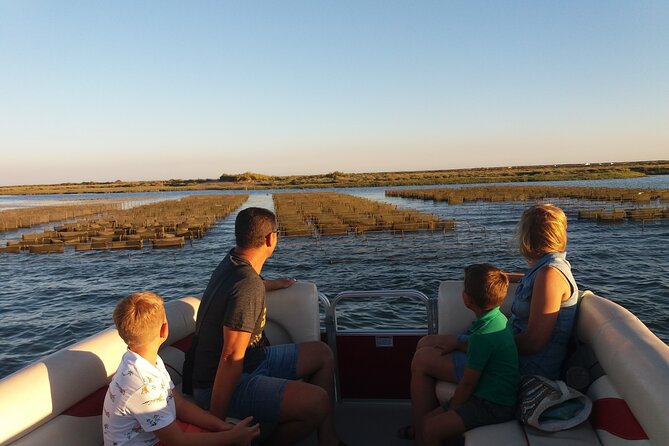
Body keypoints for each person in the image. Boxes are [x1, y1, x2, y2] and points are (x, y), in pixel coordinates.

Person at [185, 207, 343, 446]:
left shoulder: (232, 264)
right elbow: (230, 358)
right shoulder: (247, 286)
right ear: (271, 238)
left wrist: (272, 284)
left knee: (322, 354)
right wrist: (216, 426)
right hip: (223, 383)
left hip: (254, 360)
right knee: (317, 401)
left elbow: (244, 285)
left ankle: (328, 439)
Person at [103, 291, 260, 446]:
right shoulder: (143, 385)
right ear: (164, 330)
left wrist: (222, 426)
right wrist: (233, 437)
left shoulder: (146, 361)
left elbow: (179, 405)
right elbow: (178, 441)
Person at [418, 264, 519, 446]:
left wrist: (454, 409)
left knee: (430, 429)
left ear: (467, 299)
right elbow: (488, 352)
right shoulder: (498, 319)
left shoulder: (482, 336)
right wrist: (461, 345)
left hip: (493, 405)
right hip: (491, 395)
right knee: (427, 421)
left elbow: (467, 383)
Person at [508, 203, 578, 379]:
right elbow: (531, 280)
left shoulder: (550, 274)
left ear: (527, 236)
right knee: (430, 346)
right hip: (511, 358)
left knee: (428, 358)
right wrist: (500, 276)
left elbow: (534, 343)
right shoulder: (546, 269)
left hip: (526, 370)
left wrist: (483, 347)